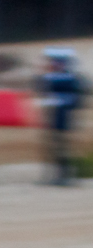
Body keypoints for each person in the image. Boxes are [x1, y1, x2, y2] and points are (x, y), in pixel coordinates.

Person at [37, 48, 84, 185]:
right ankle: (51, 176)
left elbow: (77, 100)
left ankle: (65, 177)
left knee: (62, 148)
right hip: (51, 118)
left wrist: (60, 101)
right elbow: (44, 94)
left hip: (63, 118)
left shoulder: (71, 78)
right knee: (51, 148)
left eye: (57, 62)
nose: (54, 64)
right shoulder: (50, 77)